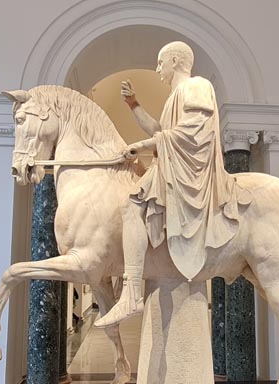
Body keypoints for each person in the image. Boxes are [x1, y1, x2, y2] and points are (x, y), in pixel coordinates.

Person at [95, 41, 249, 327]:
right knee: (131, 206)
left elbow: (192, 134)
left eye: (160, 62)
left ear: (176, 60)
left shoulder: (196, 86)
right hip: (172, 166)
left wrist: (141, 145)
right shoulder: (176, 96)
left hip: (185, 172)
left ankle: (130, 292)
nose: (157, 69)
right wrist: (133, 105)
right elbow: (161, 131)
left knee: (132, 206)